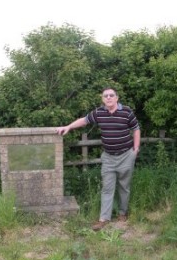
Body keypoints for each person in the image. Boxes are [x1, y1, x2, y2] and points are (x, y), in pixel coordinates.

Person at [56, 87, 141, 231]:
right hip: (108, 157)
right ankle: (104, 219)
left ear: (116, 97)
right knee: (107, 188)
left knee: (124, 187)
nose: (108, 98)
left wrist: (136, 149)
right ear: (103, 99)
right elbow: (83, 120)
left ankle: (122, 213)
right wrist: (68, 127)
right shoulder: (99, 113)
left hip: (126, 155)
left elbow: (136, 128)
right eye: (105, 96)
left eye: (111, 95)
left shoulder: (126, 112)